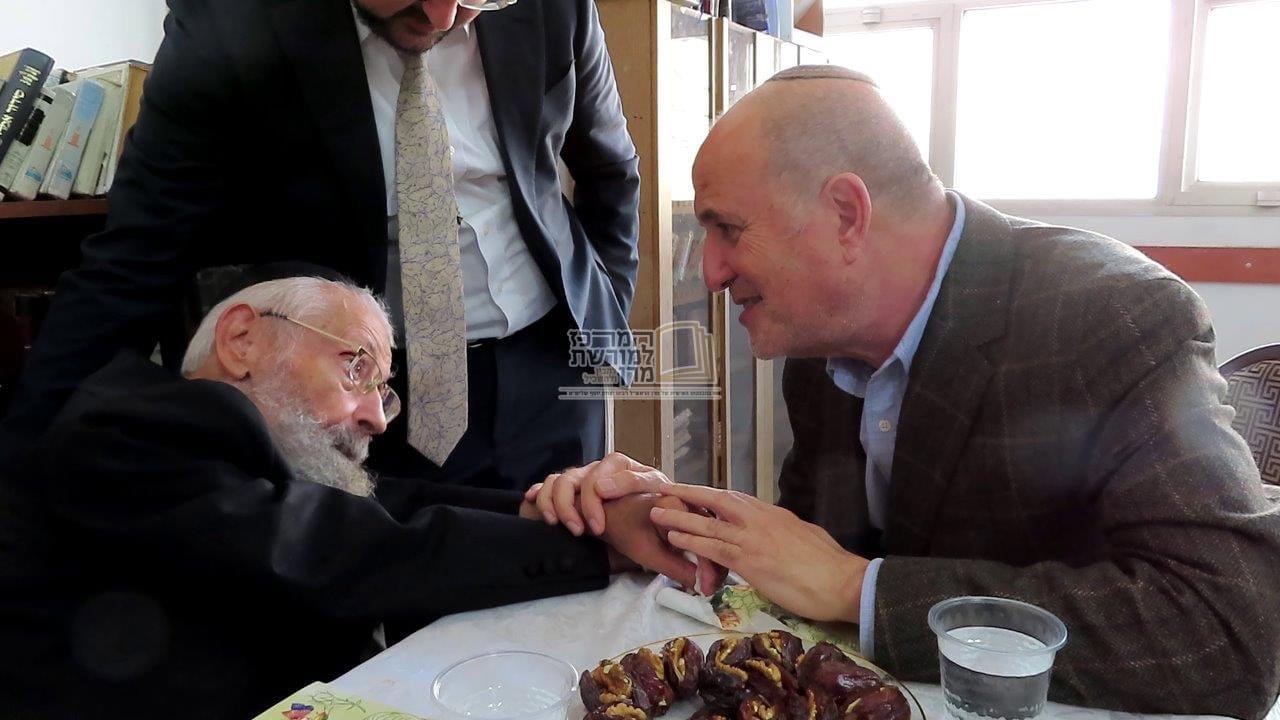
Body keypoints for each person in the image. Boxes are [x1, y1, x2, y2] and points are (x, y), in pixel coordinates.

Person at [529, 66, 1280, 718]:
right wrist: (682, 522)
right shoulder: (820, 345)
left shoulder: (1113, 316)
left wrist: (861, 588)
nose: (713, 271)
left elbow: (1234, 633)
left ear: (845, 214)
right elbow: (819, 560)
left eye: (727, 228)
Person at [1, 0, 640, 492]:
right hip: (356, 398)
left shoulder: (554, 6)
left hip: (547, 373)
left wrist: (600, 324)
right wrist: (23, 467)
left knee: (574, 580)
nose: (443, 16)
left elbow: (611, 171)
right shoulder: (231, 19)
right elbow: (139, 252)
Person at [0, 277, 701, 720]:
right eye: (355, 367)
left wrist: (559, 508)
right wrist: (597, 543)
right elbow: (338, 547)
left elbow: (389, 502)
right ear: (242, 339)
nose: (376, 417)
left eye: (383, 390)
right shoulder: (122, 432)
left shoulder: (237, 456)